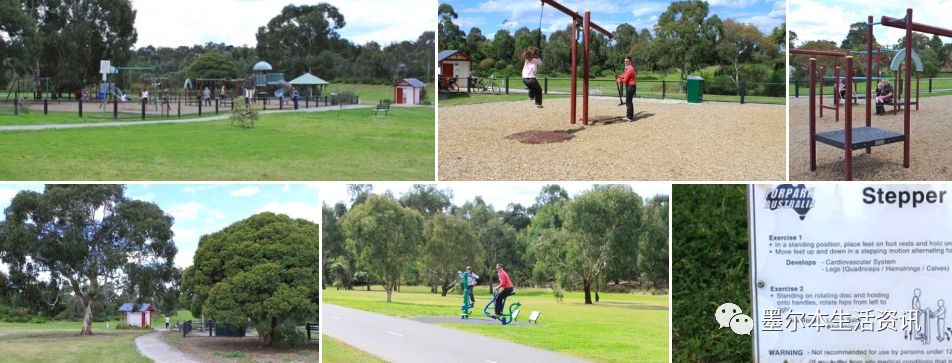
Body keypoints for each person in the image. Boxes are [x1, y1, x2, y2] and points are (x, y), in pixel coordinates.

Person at [618, 56, 637, 121]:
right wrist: (619, 76)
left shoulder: (629, 69)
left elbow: (625, 80)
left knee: (628, 102)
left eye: (626, 61)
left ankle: (629, 117)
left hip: (630, 87)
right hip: (631, 86)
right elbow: (624, 75)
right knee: (629, 101)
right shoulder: (629, 68)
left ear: (630, 62)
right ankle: (630, 116)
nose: (625, 62)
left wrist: (619, 81)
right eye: (624, 61)